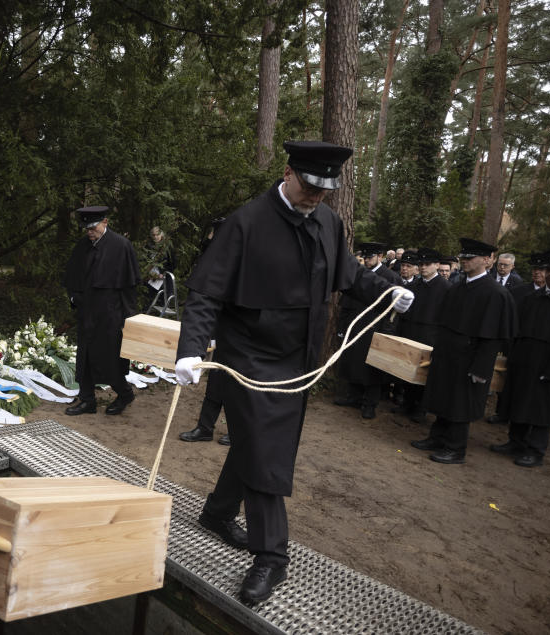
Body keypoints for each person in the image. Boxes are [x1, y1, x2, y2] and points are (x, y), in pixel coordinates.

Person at [174, 140, 413, 605]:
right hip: (250, 358)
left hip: (300, 358)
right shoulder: (245, 222)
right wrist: (189, 350)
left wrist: (389, 292)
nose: (316, 196)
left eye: (325, 190)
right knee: (267, 451)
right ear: (287, 173)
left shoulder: (327, 219)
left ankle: (218, 513)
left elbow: (349, 275)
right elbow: (205, 293)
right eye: (309, 186)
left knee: (257, 442)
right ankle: (272, 557)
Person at [411, 238, 517, 464]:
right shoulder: (458, 286)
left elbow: (493, 338)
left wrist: (480, 368)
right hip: (448, 353)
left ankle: (455, 448)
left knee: (460, 403)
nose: (465, 261)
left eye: (471, 258)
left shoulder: (495, 293)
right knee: (442, 397)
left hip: (471, 358)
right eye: (464, 257)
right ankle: (437, 437)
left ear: (487, 260)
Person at [490, 250, 550, 467]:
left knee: (541, 407)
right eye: (548, 270)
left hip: (549, 363)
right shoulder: (534, 296)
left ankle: (535, 450)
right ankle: (515, 441)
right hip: (524, 358)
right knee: (519, 399)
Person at [63, 206, 141, 416]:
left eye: (93, 227)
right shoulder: (82, 246)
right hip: (87, 312)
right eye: (86, 228)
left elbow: (129, 286)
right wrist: (74, 297)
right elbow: (71, 276)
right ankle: (87, 400)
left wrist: (129, 318)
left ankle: (124, 394)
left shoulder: (121, 246)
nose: (90, 232)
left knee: (111, 360)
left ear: (105, 222)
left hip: (111, 315)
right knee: (85, 359)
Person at [334, 242, 403, 419]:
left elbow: (393, 310)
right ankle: (354, 397)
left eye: (370, 257)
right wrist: (343, 327)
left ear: (380, 257)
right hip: (355, 325)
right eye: (364, 257)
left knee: (372, 368)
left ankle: (370, 404)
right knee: (353, 362)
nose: (366, 260)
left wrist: (387, 333)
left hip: (376, 328)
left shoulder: (389, 277)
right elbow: (347, 302)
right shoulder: (357, 275)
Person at [180, 217, 230, 445]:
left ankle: (236, 430)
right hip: (219, 330)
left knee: (237, 386)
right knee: (216, 382)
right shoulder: (214, 256)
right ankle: (205, 427)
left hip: (240, 335)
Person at [488, 252, 548, 424]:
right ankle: (502, 412)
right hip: (514, 342)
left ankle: (518, 416)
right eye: (535, 269)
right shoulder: (519, 291)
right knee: (507, 379)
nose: (537, 273)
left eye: (541, 270)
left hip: (535, 348)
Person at [395, 248, 450, 422]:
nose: (423, 267)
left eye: (427, 264)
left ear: (437, 265)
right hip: (411, 332)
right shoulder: (413, 286)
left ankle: (421, 408)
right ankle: (407, 403)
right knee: (407, 370)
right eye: (421, 264)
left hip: (430, 336)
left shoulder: (446, 288)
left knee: (424, 374)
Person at [142, 226, 177, 311]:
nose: (155, 237)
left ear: (161, 234)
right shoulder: (148, 246)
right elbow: (145, 262)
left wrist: (164, 273)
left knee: (162, 305)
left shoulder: (168, 246)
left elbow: (173, 264)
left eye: (157, 235)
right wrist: (150, 274)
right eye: (153, 235)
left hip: (164, 280)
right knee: (149, 304)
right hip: (151, 279)